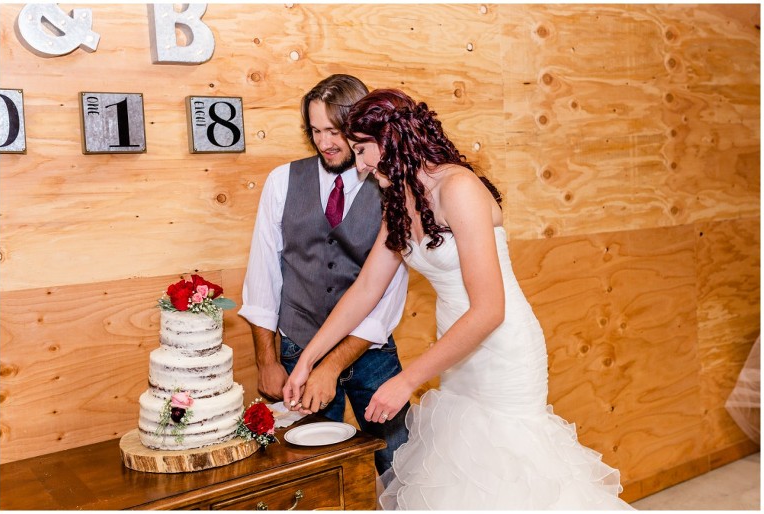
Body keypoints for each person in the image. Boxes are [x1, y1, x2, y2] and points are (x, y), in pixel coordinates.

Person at [283, 89, 635, 510]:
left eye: (362, 150)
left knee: (508, 479)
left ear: (392, 139)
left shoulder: (459, 188)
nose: (358, 165)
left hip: (501, 350)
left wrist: (407, 380)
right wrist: (310, 359)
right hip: (455, 351)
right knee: (462, 475)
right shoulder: (399, 199)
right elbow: (365, 290)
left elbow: (489, 311)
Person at [239, 75, 410, 474]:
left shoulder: (390, 186)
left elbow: (384, 297)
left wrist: (330, 366)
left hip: (370, 351)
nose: (325, 143)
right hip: (297, 345)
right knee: (310, 470)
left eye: (335, 131)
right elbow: (263, 273)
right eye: (315, 131)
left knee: (399, 462)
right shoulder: (282, 181)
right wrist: (267, 360)